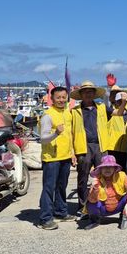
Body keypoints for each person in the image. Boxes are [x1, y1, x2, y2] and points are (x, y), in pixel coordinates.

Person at [70, 80, 116, 214]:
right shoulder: (74, 111)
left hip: (101, 146)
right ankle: (83, 206)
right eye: (85, 92)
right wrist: (72, 152)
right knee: (83, 177)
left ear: (94, 94)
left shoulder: (102, 107)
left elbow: (118, 113)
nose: (88, 94)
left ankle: (104, 203)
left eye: (91, 91)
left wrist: (124, 101)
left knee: (105, 176)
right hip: (83, 146)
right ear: (81, 94)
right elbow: (70, 132)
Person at [37, 86, 76, 230]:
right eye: (58, 97)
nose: (61, 100)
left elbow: (69, 136)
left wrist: (72, 153)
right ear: (52, 99)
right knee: (49, 188)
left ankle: (60, 212)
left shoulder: (67, 113)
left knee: (62, 187)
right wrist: (55, 134)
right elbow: (43, 139)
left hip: (65, 156)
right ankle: (45, 218)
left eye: (63, 97)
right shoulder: (48, 115)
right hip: (51, 159)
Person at [84, 155, 127, 230]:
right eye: (105, 167)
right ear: (101, 169)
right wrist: (94, 188)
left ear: (115, 168)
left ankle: (124, 216)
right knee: (90, 203)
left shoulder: (122, 175)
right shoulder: (96, 179)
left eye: (110, 166)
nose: (107, 169)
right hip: (103, 208)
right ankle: (95, 220)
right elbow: (92, 200)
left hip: (118, 205)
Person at [107, 91, 127, 171]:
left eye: (124, 101)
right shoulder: (111, 112)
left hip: (126, 149)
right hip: (112, 149)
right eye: (119, 101)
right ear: (115, 101)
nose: (121, 103)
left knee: (124, 174)